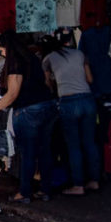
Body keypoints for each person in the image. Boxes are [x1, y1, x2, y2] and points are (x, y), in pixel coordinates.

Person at [0, 31, 57, 203]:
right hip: (47, 106)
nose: (1, 54)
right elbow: (45, 83)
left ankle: (24, 192)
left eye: (2, 50)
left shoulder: (15, 62)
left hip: (28, 110)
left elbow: (13, 93)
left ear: (9, 48)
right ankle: (45, 190)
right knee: (45, 151)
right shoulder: (33, 58)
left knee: (28, 153)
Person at [39, 35, 100, 196]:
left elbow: (47, 84)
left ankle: (78, 185)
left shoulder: (48, 59)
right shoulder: (80, 54)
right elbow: (90, 79)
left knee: (73, 145)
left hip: (68, 101)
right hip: (87, 100)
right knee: (89, 142)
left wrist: (57, 85)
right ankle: (94, 181)